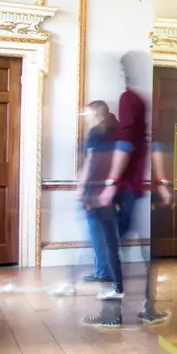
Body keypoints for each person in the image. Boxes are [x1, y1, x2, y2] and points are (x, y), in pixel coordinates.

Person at [85, 50, 171, 328]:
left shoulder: (129, 99)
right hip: (143, 191)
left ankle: (113, 314)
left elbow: (126, 144)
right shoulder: (150, 102)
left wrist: (110, 184)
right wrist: (162, 182)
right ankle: (147, 309)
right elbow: (154, 144)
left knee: (112, 249)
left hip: (126, 190)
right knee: (147, 254)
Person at [50, 100, 117, 296]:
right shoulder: (117, 127)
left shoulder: (97, 131)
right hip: (112, 188)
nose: (85, 117)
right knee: (105, 232)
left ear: (96, 113)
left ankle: (102, 272)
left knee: (94, 232)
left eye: (87, 113)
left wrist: (80, 186)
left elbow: (90, 159)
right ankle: (106, 271)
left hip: (94, 189)